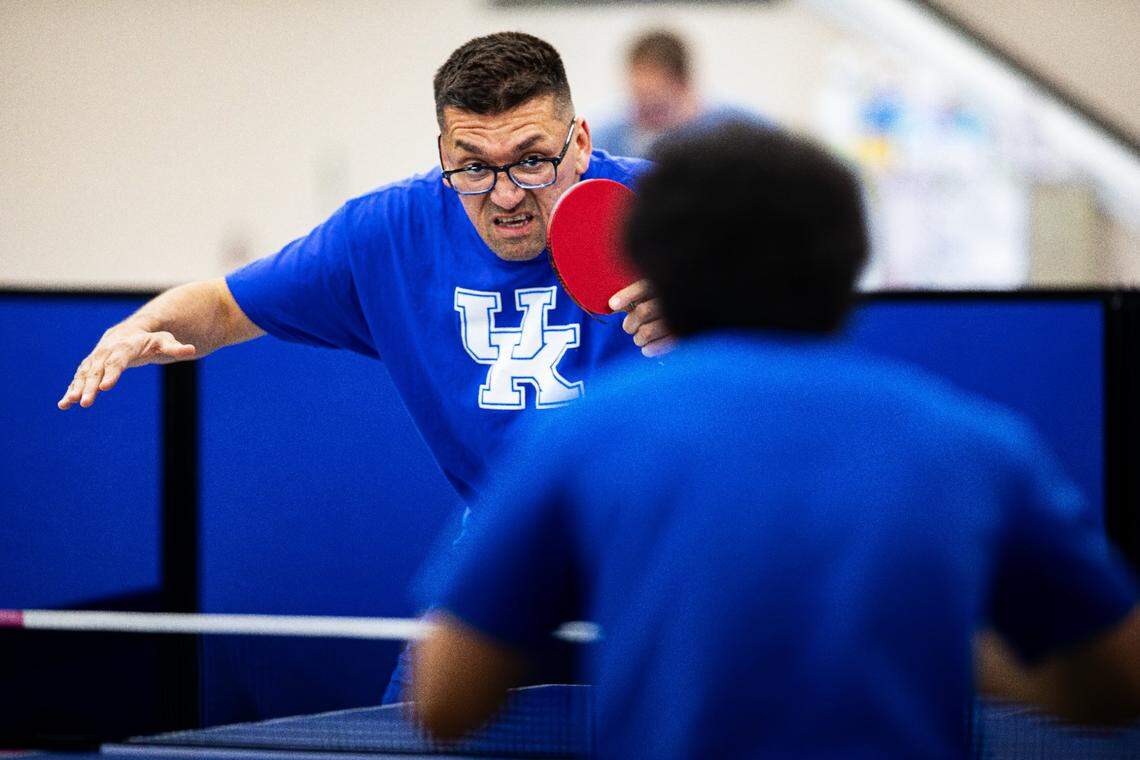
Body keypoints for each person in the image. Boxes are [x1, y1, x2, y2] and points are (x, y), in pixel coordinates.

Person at [410, 123, 1140, 758]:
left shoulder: (581, 436)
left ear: (650, 264)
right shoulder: (977, 442)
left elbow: (445, 700)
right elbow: (1120, 684)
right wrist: (955, 650)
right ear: (848, 259)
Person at [56, 32, 673, 702]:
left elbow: (798, 347)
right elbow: (225, 305)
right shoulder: (387, 235)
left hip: (661, 540)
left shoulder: (673, 213)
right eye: (473, 167)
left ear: (579, 142)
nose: (504, 195)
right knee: (414, 728)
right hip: (507, 539)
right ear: (443, 155)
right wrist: (137, 326)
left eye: (532, 161)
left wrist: (709, 323)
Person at [591, 28, 766, 159]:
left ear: (684, 86)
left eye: (656, 102)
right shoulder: (605, 141)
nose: (646, 114)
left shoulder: (739, 130)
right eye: (638, 98)